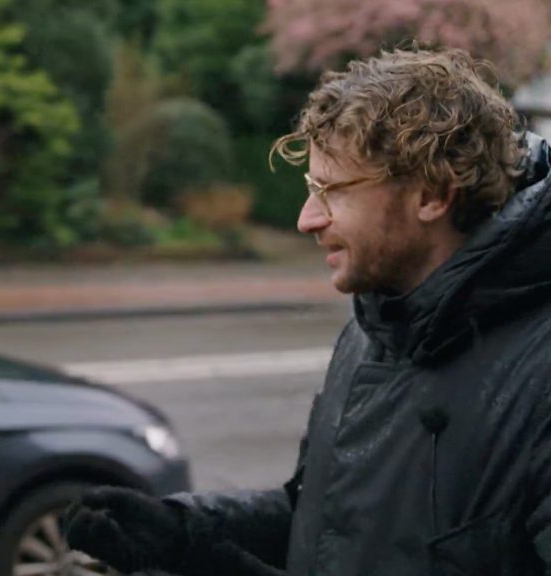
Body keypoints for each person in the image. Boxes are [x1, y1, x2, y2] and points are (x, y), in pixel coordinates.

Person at [64, 46, 551, 575]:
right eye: (310, 188)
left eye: (332, 191)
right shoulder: (372, 329)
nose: (306, 219)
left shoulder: (538, 374)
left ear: (431, 196)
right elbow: (325, 521)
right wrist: (185, 532)